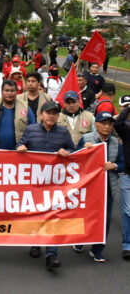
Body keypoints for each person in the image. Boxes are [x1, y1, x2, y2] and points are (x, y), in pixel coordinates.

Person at [16, 101, 75, 270]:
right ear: (41, 114)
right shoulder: (31, 130)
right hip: (34, 184)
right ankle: (36, 243)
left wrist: (67, 152)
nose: (51, 115)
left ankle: (51, 254)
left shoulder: (63, 132)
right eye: (48, 112)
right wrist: (20, 147)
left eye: (55, 113)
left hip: (56, 185)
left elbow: (74, 152)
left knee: (53, 216)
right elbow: (19, 145)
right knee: (36, 214)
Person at [73, 111, 124, 262]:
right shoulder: (87, 139)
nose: (107, 127)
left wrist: (114, 165)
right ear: (96, 125)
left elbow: (122, 164)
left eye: (110, 124)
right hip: (88, 187)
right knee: (85, 215)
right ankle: (80, 240)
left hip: (107, 188)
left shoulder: (115, 143)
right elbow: (74, 158)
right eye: (104, 123)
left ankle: (97, 249)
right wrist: (84, 150)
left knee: (105, 219)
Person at [0, 80, 35, 150]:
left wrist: (25, 145)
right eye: (7, 90)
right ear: (1, 92)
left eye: (12, 91)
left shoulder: (25, 106)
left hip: (18, 152)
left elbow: (33, 129)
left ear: (16, 92)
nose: (9, 93)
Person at [114, 103, 130, 260]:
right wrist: (129, 108)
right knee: (127, 211)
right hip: (127, 176)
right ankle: (127, 245)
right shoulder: (127, 130)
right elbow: (117, 123)